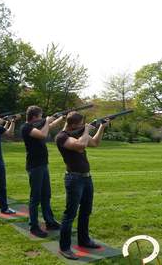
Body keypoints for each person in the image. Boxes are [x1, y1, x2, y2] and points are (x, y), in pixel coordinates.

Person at [55, 111, 109, 260]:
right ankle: (64, 247)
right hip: (74, 179)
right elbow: (80, 146)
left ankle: (84, 240)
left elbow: (95, 143)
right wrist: (86, 130)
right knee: (70, 214)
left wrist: (101, 127)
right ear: (72, 125)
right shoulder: (62, 137)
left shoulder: (78, 134)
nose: (83, 126)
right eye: (81, 124)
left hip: (86, 178)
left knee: (86, 211)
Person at [21, 105, 64, 238]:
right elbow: (43, 134)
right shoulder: (26, 127)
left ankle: (50, 221)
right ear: (34, 117)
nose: (42, 118)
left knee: (46, 195)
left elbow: (49, 126)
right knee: (35, 197)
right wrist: (46, 121)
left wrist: (62, 118)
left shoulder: (36, 126)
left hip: (43, 165)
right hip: (35, 166)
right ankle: (34, 226)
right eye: (40, 116)